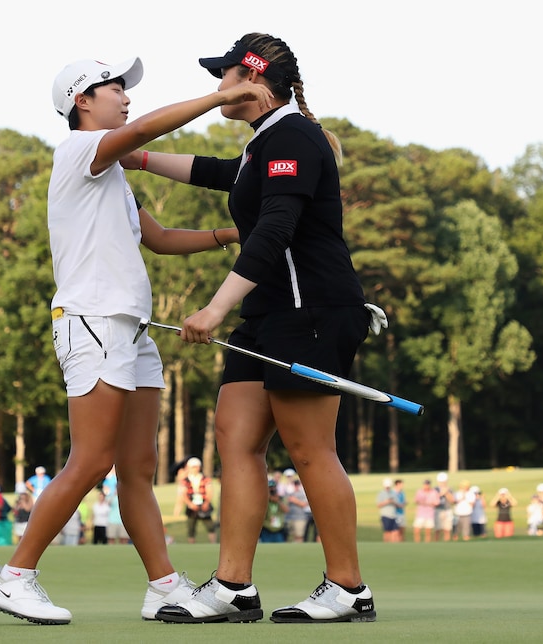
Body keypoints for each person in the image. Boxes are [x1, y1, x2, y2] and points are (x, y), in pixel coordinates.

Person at [0, 52, 271, 625]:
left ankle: (163, 586)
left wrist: (236, 233)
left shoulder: (108, 173)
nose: (126, 96)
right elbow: (140, 132)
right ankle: (14, 576)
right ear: (82, 101)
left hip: (129, 328)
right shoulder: (80, 150)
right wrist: (218, 99)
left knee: (136, 468)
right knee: (89, 462)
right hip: (92, 320)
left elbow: (158, 239)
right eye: (115, 87)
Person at [135, 33, 378, 624]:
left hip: (312, 311)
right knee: (235, 434)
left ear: (252, 81)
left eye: (224, 77)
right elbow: (224, 175)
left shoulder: (293, 136)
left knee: (307, 447)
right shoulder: (263, 142)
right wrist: (137, 157)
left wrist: (214, 309)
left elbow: (273, 230)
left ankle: (349, 588)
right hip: (270, 314)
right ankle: (233, 586)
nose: (216, 88)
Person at [179, 457, 217, 544]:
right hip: (191, 507)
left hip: (204, 505)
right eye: (193, 467)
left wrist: (206, 503)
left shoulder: (205, 479)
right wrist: (190, 504)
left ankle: (213, 544)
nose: (195, 469)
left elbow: (209, 492)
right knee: (191, 529)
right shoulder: (185, 480)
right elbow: (184, 494)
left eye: (196, 467)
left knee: (210, 527)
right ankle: (191, 546)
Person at [284, 474, 311, 543]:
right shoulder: (289, 493)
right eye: (295, 484)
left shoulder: (302, 493)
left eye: (297, 484)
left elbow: (305, 504)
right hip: (289, 517)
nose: (296, 485)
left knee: (299, 536)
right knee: (290, 536)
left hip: (300, 517)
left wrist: (295, 501)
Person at [376, 478, 401, 543]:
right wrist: (387, 502)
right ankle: (386, 544)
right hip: (385, 515)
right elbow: (378, 505)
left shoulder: (393, 493)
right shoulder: (381, 493)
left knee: (395, 531)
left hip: (393, 515)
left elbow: (398, 504)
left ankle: (393, 545)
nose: (388, 488)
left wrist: (393, 502)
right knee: (387, 531)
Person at [433, 473, 455, 542]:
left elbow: (452, 501)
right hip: (438, 510)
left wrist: (446, 492)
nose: (443, 483)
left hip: (447, 510)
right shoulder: (435, 489)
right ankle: (436, 543)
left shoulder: (450, 489)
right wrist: (441, 493)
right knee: (438, 529)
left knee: (447, 529)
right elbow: (434, 500)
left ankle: (447, 542)